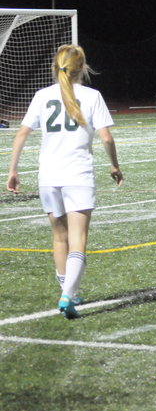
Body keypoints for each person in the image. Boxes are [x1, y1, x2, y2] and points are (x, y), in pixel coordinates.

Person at [6, 44, 123, 319]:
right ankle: (68, 295)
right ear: (82, 68)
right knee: (78, 239)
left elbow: (21, 133)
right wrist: (114, 165)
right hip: (77, 175)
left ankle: (67, 291)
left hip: (48, 176)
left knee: (59, 238)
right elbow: (106, 138)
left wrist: (13, 170)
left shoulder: (42, 95)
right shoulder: (92, 96)